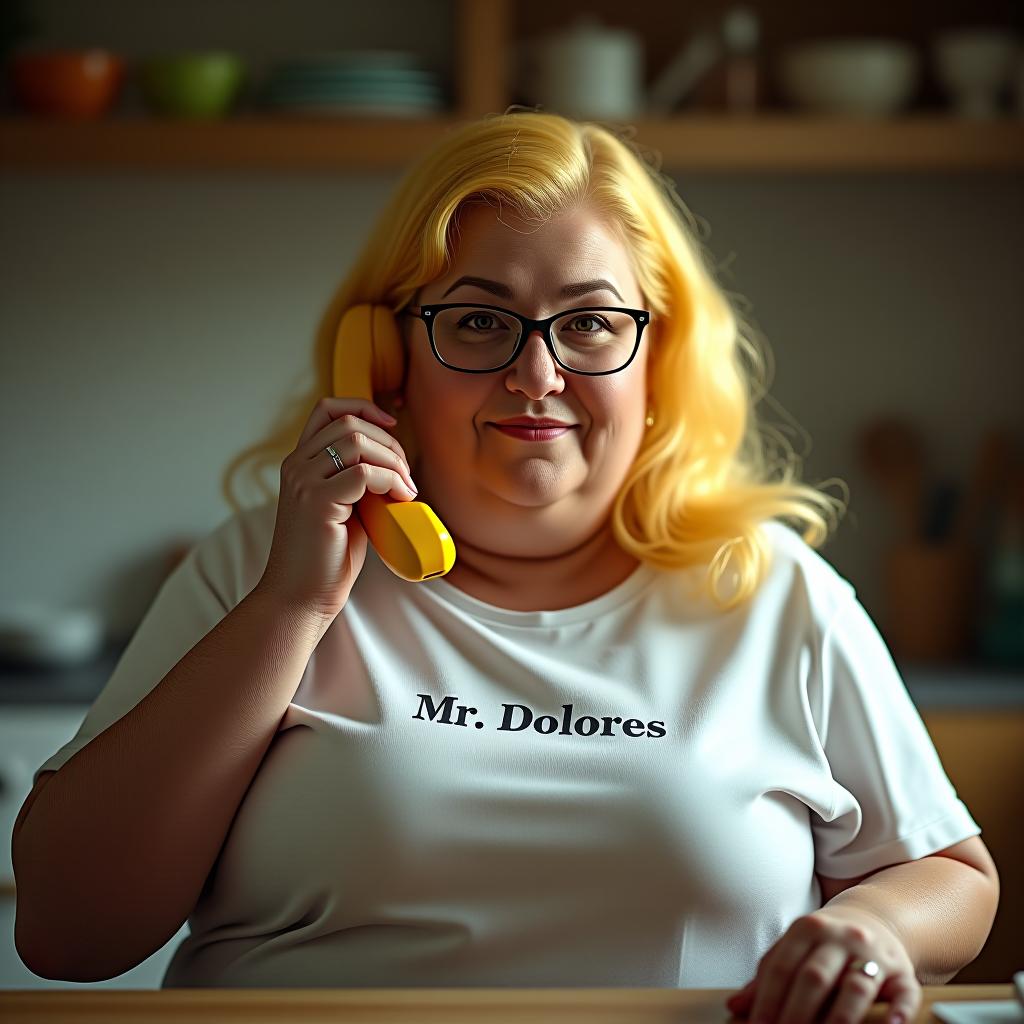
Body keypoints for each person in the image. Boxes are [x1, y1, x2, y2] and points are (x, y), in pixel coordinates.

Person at [14, 111, 996, 1018]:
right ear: (387, 355)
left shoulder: (770, 590)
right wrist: (294, 604)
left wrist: (870, 929)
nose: (538, 374)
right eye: (478, 320)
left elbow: (953, 875)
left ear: (657, 358)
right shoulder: (259, 570)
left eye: (591, 323)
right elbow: (67, 932)